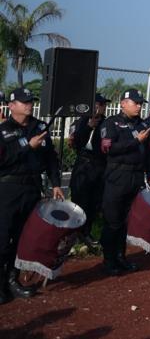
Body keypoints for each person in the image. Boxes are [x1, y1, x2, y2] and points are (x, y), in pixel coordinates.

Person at [0, 87, 63, 304]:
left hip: (32, 189)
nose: (28, 104)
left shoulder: (39, 127)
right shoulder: (4, 130)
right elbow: (4, 159)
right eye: (23, 101)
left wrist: (56, 183)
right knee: (2, 238)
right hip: (8, 190)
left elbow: (51, 159)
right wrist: (27, 145)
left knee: (22, 239)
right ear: (11, 106)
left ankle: (12, 280)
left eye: (30, 101)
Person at [99, 89, 150, 276]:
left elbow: (148, 152)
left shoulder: (140, 124)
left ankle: (120, 256)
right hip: (117, 176)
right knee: (112, 220)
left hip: (135, 176)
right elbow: (107, 149)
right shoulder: (111, 123)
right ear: (123, 103)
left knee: (125, 221)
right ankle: (109, 260)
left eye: (141, 103)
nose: (139, 106)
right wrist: (135, 141)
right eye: (136, 102)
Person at [68, 92, 110, 246]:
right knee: (79, 200)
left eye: (104, 105)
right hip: (83, 165)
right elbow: (76, 142)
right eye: (99, 104)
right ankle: (73, 234)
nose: (102, 108)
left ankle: (86, 233)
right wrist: (88, 127)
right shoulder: (81, 121)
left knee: (94, 202)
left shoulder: (107, 123)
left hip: (99, 166)